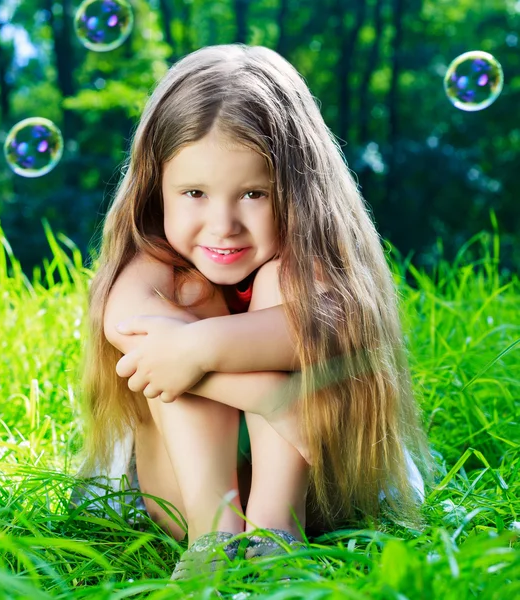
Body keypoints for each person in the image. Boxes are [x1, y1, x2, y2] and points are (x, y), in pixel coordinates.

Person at [75, 43, 436, 581]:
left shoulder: (310, 270)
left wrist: (199, 347)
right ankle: (213, 537)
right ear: (157, 190)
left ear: (298, 193)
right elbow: (132, 332)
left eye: (253, 193)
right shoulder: (156, 263)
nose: (223, 224)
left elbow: (322, 331)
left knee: (275, 285)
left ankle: (274, 533)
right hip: (180, 492)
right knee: (186, 305)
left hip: (323, 494)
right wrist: (269, 397)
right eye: (194, 192)